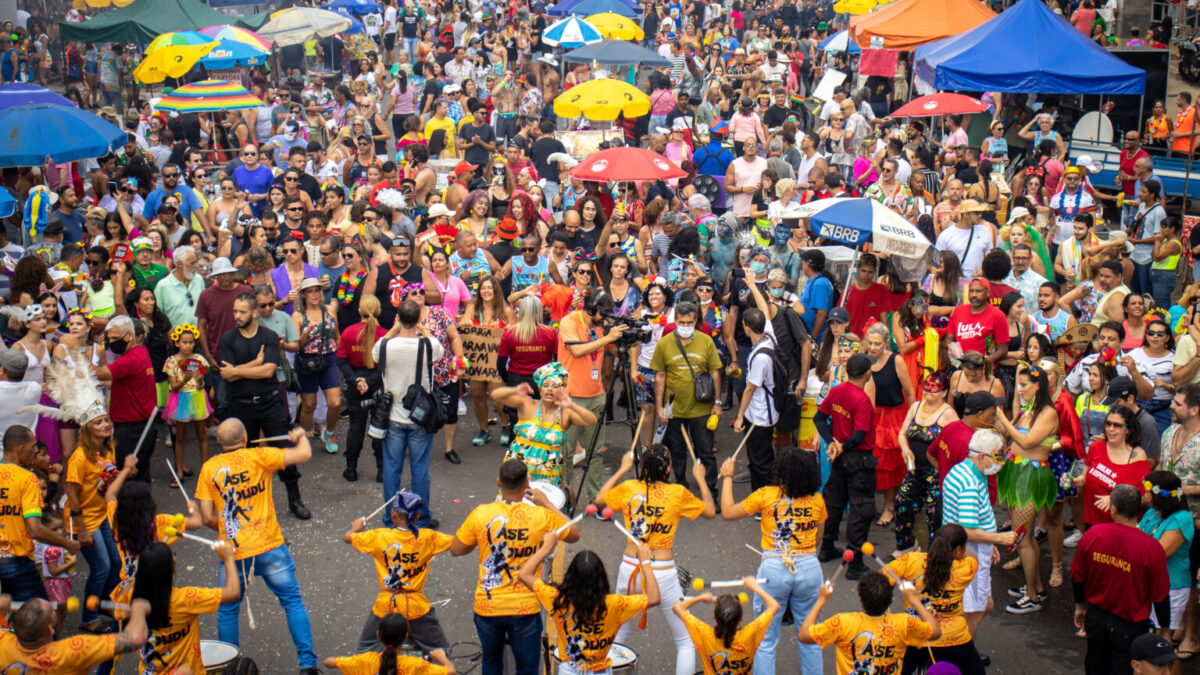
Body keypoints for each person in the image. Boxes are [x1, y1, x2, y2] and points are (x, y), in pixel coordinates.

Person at [196, 422, 319, 675]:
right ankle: (308, 665)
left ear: (219, 442)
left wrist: (226, 530)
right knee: (292, 602)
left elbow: (206, 516)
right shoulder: (259, 455)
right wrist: (299, 436)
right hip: (269, 545)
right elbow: (304, 454)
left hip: (233, 552)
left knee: (228, 609)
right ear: (245, 438)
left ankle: (230, 668)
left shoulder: (209, 468)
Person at [451, 459, 581, 675]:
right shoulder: (542, 516)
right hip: (525, 608)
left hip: (488, 605)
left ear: (498, 483)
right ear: (527, 485)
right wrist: (547, 503)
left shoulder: (481, 514)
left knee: (492, 662)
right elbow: (574, 534)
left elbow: (456, 549)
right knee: (527, 668)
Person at [595, 445, 715, 675]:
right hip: (662, 572)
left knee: (618, 635)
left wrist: (622, 469)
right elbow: (710, 510)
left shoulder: (630, 488)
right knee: (685, 640)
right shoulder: (678, 493)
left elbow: (601, 500)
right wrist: (700, 478)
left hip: (629, 567)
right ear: (668, 468)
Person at [718, 446, 825, 674]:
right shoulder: (818, 500)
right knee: (810, 635)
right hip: (809, 567)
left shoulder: (766, 495)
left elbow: (727, 511)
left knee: (765, 640)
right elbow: (818, 538)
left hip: (774, 569)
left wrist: (727, 477)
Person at [217, 292, 310, 519]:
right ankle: (247, 504)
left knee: (284, 450)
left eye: (242, 312)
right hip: (241, 406)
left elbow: (268, 371)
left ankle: (295, 500)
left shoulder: (268, 336)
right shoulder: (228, 339)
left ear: (254, 313)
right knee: (242, 457)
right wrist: (253, 365)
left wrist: (238, 370)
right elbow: (226, 377)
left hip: (270, 403)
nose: (237, 316)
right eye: (235, 312)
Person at [518, 531, 658, 675]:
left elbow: (524, 575)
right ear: (602, 578)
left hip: (569, 670)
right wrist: (645, 562)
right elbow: (653, 597)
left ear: (570, 577)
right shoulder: (616, 604)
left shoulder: (557, 599)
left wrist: (546, 547)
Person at [1072, 484, 1170, 675]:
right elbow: (1160, 596)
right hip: (1130, 626)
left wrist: (1080, 606)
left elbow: (1078, 575)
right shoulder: (1151, 547)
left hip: (1096, 618)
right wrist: (1165, 629)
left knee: (1095, 665)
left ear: (1113, 508)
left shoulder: (1094, 534)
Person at [343, 489, 453, 653]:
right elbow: (458, 542)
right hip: (416, 608)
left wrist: (355, 528)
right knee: (442, 652)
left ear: (393, 516)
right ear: (417, 516)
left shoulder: (379, 536)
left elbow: (347, 538)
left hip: (386, 607)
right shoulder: (428, 537)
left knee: (365, 650)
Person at [374, 300, 444, 529]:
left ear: (397, 318)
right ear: (418, 320)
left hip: (392, 416)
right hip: (419, 416)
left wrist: (394, 329)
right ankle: (421, 517)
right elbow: (440, 351)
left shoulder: (385, 345)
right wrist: (422, 328)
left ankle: (391, 518)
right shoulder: (428, 345)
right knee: (420, 471)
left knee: (391, 470)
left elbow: (376, 354)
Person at [941, 429, 1017, 637]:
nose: (1001, 461)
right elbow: (968, 531)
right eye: (998, 456)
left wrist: (989, 544)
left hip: (968, 551)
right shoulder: (970, 485)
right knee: (976, 609)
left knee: (982, 605)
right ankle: (963, 652)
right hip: (968, 555)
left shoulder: (964, 471)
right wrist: (1000, 538)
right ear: (982, 457)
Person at [886, 523, 987, 675]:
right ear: (959, 550)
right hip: (954, 639)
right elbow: (973, 557)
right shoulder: (965, 568)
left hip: (917, 636)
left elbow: (882, 579)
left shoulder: (911, 560)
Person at [799, 570, 941, 675]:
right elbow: (935, 632)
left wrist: (821, 600)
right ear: (889, 601)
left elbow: (804, 635)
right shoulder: (904, 624)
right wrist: (914, 599)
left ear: (860, 599)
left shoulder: (842, 622)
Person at [130, 539, 239, 675]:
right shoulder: (186, 599)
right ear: (173, 566)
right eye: (173, 554)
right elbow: (233, 592)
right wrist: (228, 558)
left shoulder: (129, 597)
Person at [652, 300, 724, 495]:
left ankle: (709, 490)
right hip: (674, 409)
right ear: (675, 322)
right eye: (681, 323)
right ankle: (681, 486)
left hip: (701, 409)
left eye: (689, 323)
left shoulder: (705, 341)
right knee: (677, 451)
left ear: (695, 322)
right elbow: (660, 376)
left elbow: (715, 373)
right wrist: (659, 408)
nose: (685, 327)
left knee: (705, 452)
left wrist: (717, 402)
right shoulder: (665, 343)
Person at [0, 425, 79, 601]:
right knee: (40, 620)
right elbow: (35, 529)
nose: (35, 450)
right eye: (33, 446)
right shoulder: (27, 479)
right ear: (20, 448)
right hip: (16, 563)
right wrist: (66, 543)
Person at [558, 288, 621, 504]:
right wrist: (608, 339)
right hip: (571, 397)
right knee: (566, 454)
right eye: (603, 313)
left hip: (596, 395)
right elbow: (576, 351)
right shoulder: (569, 322)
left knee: (596, 452)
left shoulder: (601, 327)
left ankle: (595, 497)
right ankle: (567, 499)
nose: (605, 318)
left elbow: (614, 350)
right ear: (592, 308)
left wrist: (631, 339)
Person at [815, 353, 875, 579]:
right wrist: (841, 445)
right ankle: (856, 563)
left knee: (834, 503)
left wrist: (833, 442)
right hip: (859, 460)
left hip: (841, 458)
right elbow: (859, 436)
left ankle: (827, 547)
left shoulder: (838, 391)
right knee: (861, 510)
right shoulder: (862, 400)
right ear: (867, 374)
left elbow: (819, 419)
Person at [491, 361, 596, 489]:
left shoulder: (564, 413)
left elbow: (592, 420)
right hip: (519, 471)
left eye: (555, 386)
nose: (550, 389)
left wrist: (572, 405)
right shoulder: (527, 404)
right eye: (546, 385)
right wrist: (515, 389)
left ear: (561, 390)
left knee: (543, 507)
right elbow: (495, 395)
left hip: (548, 476)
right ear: (540, 389)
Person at [0, 594, 151, 673]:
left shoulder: (3, 642)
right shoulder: (72, 651)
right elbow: (135, 638)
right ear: (50, 631)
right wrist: (139, 610)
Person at [895, 370, 958, 554]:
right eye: (926, 386)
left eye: (934, 388)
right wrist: (905, 449)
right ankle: (905, 547)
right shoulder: (915, 407)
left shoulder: (948, 414)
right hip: (914, 470)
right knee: (902, 504)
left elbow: (955, 444)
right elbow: (902, 433)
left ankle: (933, 554)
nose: (928, 391)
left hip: (936, 472)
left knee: (933, 514)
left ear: (944, 392)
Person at [675, 577, 779, 675]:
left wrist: (699, 598)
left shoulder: (704, 633)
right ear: (741, 618)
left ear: (714, 616)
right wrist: (755, 586)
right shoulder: (751, 632)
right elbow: (774, 605)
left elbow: (677, 607)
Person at [1138, 471, 1194, 641]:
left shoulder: (1182, 519)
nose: (1144, 494)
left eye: (1147, 491)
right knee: (1149, 634)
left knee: (1164, 637)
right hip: (1148, 582)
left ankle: (1166, 667)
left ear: (1158, 494)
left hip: (1171, 587)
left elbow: (1159, 553)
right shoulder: (1152, 513)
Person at [336, 294, 385, 483]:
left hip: (355, 383)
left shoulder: (349, 332)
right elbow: (384, 366)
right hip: (376, 383)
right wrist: (369, 380)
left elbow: (341, 360)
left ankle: (351, 469)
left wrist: (356, 379)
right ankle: (381, 471)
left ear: (359, 311)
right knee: (379, 426)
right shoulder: (383, 334)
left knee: (356, 427)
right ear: (378, 311)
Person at [324, 613, 458, 674]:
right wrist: (442, 658)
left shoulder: (366, 660)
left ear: (378, 635)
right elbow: (450, 672)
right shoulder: (416, 665)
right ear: (406, 637)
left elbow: (329, 662)